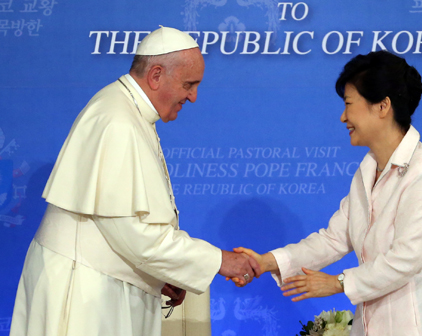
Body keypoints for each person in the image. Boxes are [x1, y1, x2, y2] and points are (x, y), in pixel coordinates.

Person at [10, 27, 259, 336]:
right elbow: (136, 236)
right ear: (156, 75)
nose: (193, 97)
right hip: (85, 294)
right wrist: (220, 261)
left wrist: (162, 275)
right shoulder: (117, 121)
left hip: (101, 284)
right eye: (189, 85)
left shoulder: (126, 111)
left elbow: (124, 232)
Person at [234, 51, 422, 336]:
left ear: (383, 106)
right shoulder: (368, 169)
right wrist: (267, 262)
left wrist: (338, 283)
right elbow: (334, 239)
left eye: (348, 104)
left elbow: (406, 259)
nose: (343, 117)